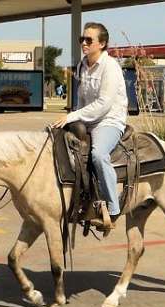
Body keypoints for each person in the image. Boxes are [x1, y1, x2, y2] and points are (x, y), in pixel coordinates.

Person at [51, 22, 128, 229]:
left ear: (102, 44)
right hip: (88, 119)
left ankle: (113, 208)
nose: (84, 43)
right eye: (81, 39)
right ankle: (80, 201)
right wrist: (73, 118)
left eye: (89, 40)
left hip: (109, 120)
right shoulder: (82, 65)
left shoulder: (110, 67)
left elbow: (104, 105)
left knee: (98, 155)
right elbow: (82, 100)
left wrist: (72, 116)